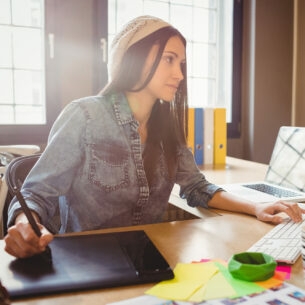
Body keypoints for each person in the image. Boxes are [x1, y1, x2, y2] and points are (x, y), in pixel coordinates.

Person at [4, 15, 304, 258]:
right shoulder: (84, 116)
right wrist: (23, 224)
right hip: (87, 259)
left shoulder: (167, 128)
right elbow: (35, 194)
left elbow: (197, 187)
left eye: (182, 63)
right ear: (133, 59)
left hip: (150, 255)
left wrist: (257, 207)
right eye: (169, 60)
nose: (180, 74)